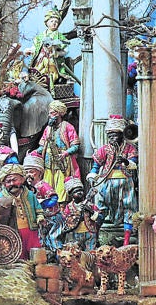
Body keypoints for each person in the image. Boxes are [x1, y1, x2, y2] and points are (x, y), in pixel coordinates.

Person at [88, 115, 138, 247]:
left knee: (129, 209)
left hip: (125, 182)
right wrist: (93, 175)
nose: (112, 138)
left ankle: (126, 243)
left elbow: (134, 163)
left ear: (122, 135)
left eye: (115, 135)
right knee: (101, 209)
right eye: (110, 135)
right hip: (107, 183)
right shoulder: (104, 149)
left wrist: (126, 161)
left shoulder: (129, 148)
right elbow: (96, 166)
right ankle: (94, 238)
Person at [37, 100, 81, 201]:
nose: (50, 116)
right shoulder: (48, 128)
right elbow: (42, 145)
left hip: (63, 162)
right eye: (50, 113)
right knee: (47, 184)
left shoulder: (68, 127)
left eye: (52, 113)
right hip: (48, 162)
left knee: (61, 185)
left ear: (59, 114)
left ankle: (62, 204)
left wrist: (65, 153)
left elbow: (75, 146)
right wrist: (35, 153)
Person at [0, 165, 42, 252]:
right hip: (13, 233)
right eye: (8, 181)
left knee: (35, 253)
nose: (12, 184)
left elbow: (39, 210)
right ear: (4, 183)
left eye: (14, 180)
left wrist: (40, 218)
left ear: (22, 179)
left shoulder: (30, 195)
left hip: (31, 231)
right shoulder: (1, 197)